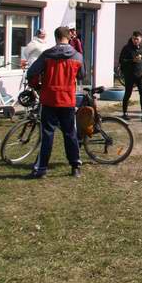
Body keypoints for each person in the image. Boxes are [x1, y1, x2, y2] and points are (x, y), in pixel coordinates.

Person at [25, 26, 85, 179]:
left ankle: (41, 169)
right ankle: (75, 166)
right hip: (68, 100)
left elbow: (31, 73)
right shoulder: (77, 56)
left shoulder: (47, 55)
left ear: (56, 37)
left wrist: (37, 86)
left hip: (49, 99)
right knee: (70, 133)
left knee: (47, 134)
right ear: (69, 37)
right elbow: (82, 76)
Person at [119, 30, 142, 121]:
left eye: (137, 39)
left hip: (140, 75)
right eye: (134, 38)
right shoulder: (126, 48)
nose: (135, 40)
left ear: (141, 39)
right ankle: (125, 113)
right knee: (128, 93)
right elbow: (122, 61)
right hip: (129, 74)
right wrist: (132, 60)